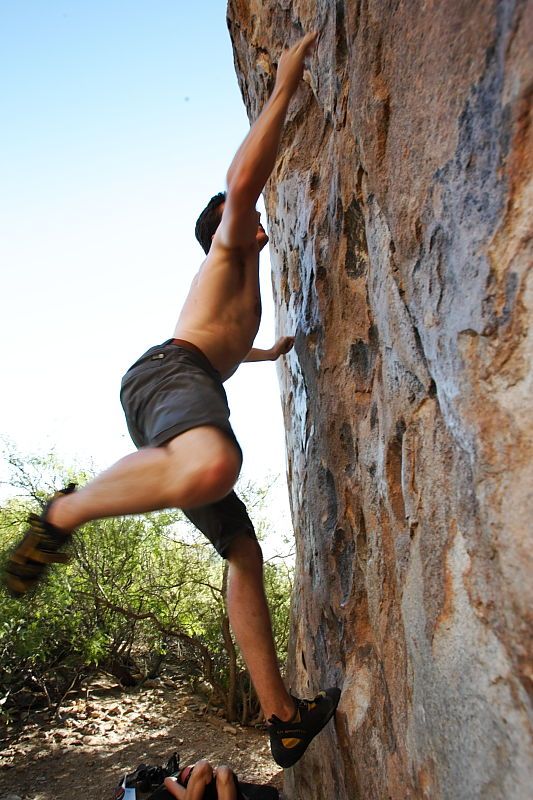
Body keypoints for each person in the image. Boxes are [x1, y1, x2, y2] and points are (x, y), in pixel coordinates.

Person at [3, 31, 340, 767]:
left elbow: (222, 340)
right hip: (168, 375)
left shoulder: (240, 290)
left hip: (183, 380)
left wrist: (268, 352)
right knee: (213, 464)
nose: (254, 219)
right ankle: (61, 513)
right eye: (239, 215)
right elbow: (242, 182)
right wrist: (283, 88)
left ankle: (282, 717)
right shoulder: (228, 253)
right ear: (224, 227)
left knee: (243, 552)